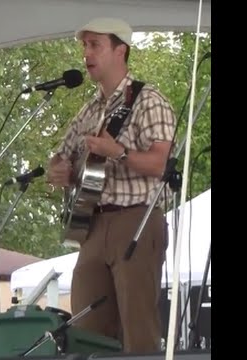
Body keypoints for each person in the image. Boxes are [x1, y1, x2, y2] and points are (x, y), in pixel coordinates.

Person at [46, 18, 177, 353]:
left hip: (136, 220)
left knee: (138, 329)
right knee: (87, 329)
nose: (86, 53)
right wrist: (60, 170)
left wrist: (116, 151)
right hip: (92, 224)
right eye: (84, 46)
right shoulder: (89, 109)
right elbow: (60, 157)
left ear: (121, 50)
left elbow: (160, 163)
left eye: (95, 45)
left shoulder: (149, 100)